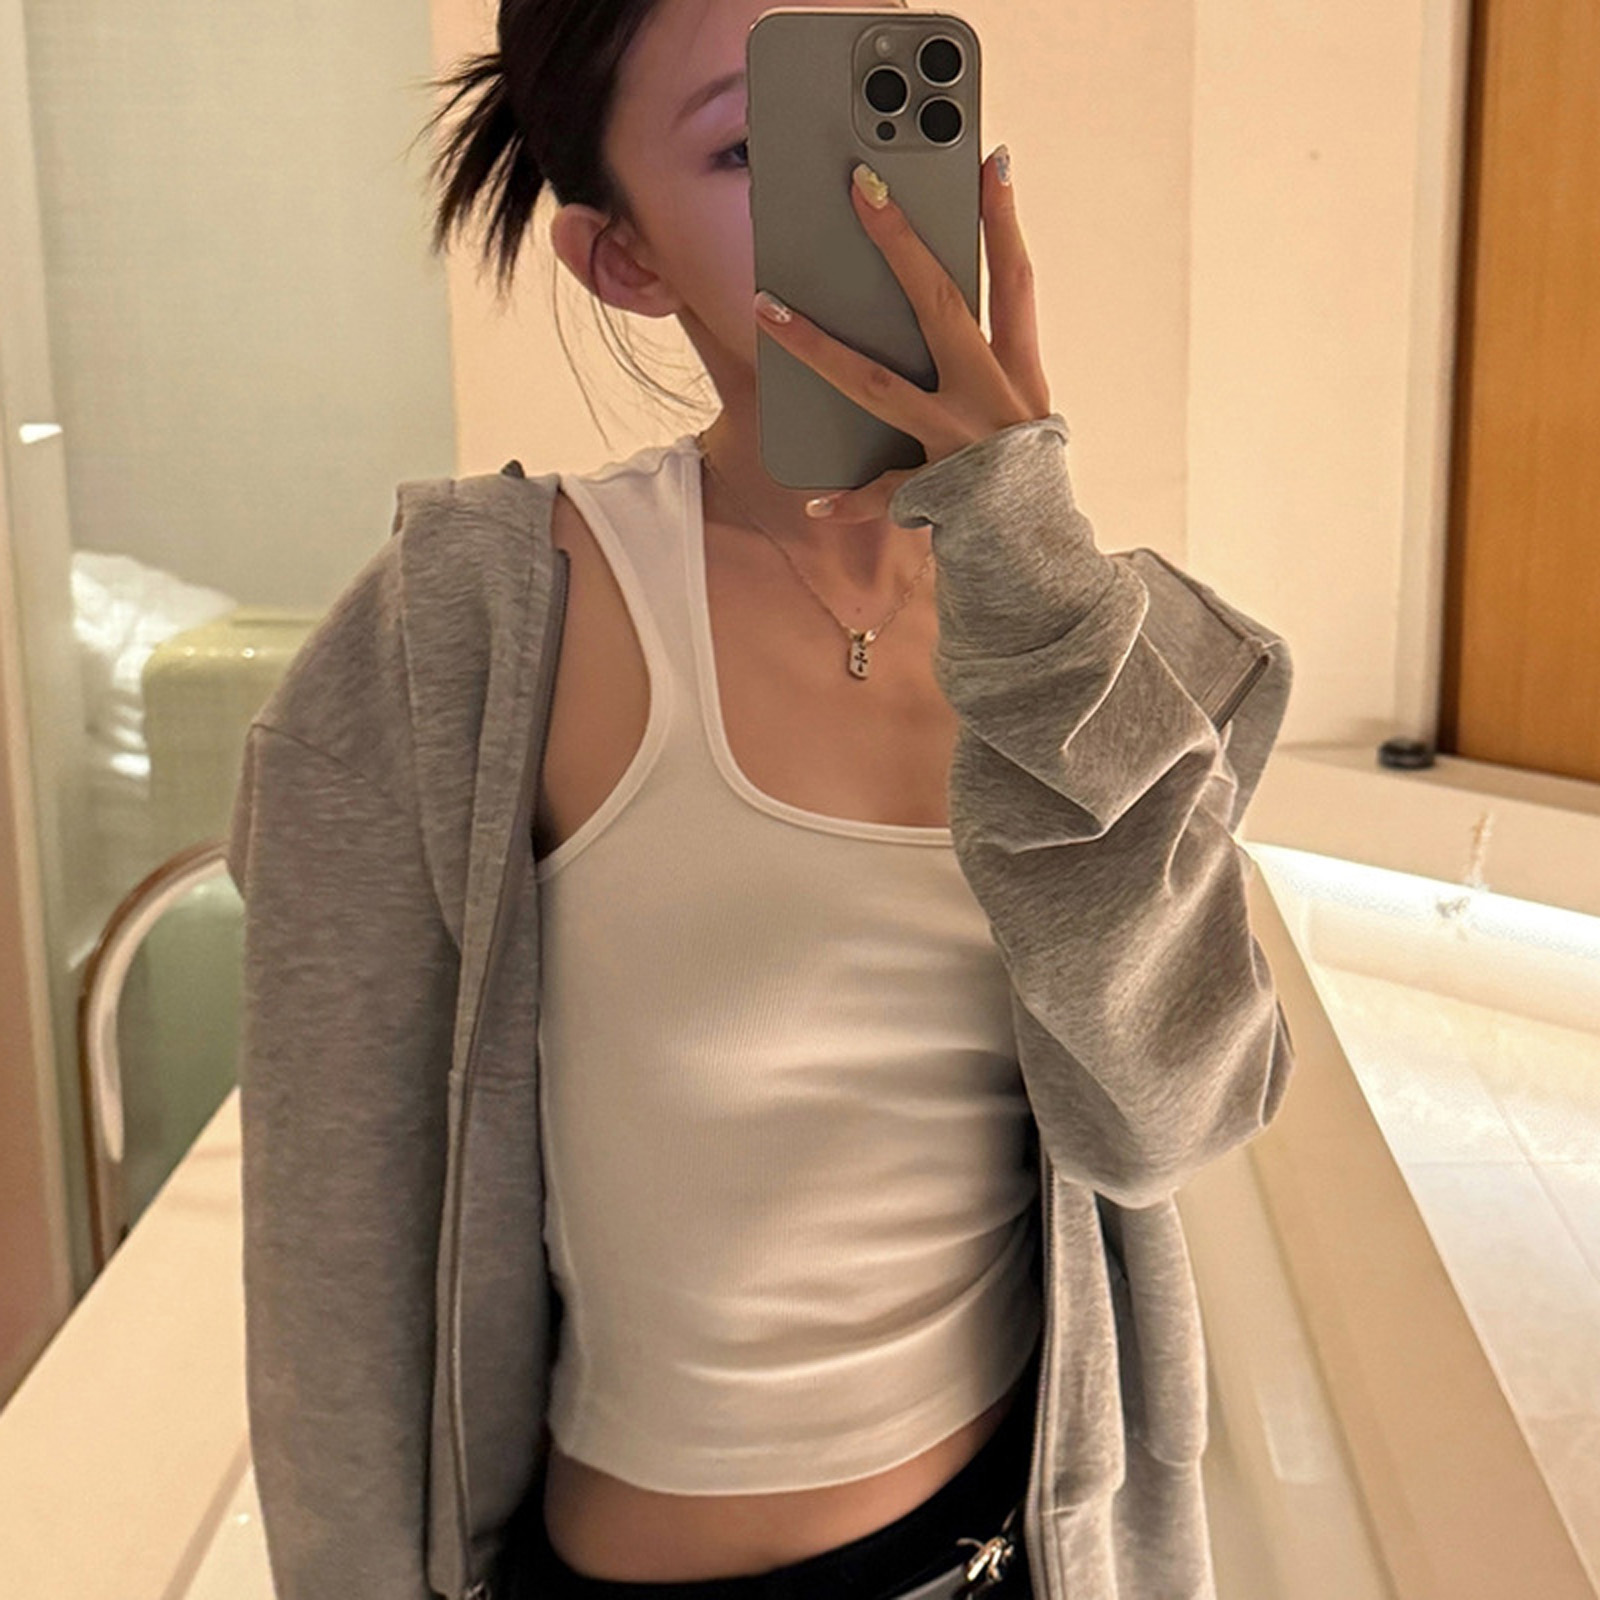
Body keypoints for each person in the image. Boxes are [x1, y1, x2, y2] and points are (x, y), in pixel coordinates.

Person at [225, 3, 1297, 1599]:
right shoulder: (468, 636)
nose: (859, 194)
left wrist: (1032, 575)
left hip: (1018, 1551)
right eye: (749, 144)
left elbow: (1166, 1126)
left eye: (890, 105)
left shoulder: (1121, 656)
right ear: (624, 261)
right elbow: (335, 1255)